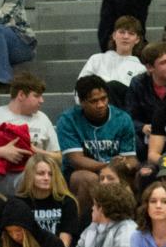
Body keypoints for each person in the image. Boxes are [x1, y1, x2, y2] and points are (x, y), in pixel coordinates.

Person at [0, 72, 60, 197]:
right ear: (21, 95)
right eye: (36, 96)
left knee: (29, 178)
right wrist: (2, 151)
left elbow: (58, 157)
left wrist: (36, 151)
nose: (42, 100)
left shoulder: (42, 118)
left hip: (33, 172)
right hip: (1, 172)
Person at [58, 76, 137, 219]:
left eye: (104, 98)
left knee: (139, 174)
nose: (101, 104)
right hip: (77, 173)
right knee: (87, 179)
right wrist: (108, 166)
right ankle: (79, 228)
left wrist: (122, 166)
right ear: (81, 102)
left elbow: (130, 158)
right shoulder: (68, 120)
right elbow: (76, 160)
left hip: (117, 171)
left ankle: (127, 225)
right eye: (94, 101)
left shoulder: (122, 118)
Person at [15, 152, 82, 247]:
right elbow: (19, 239)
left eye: (51, 174)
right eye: (41, 173)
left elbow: (65, 242)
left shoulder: (67, 201)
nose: (46, 178)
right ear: (30, 175)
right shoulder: (19, 203)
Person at [78, 16, 146, 111]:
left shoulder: (141, 69)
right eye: (122, 32)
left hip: (123, 112)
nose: (125, 37)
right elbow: (79, 88)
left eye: (131, 34)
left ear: (137, 39)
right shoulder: (96, 59)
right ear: (114, 35)